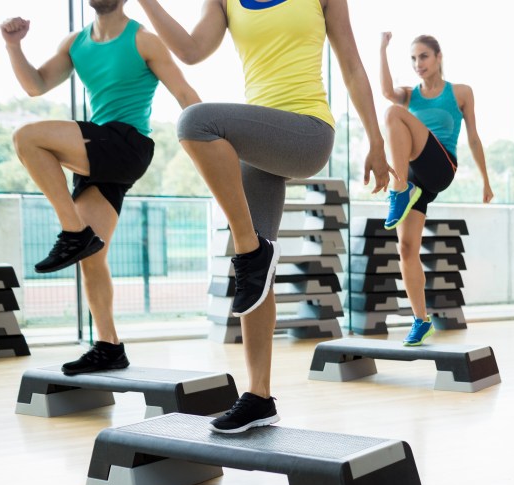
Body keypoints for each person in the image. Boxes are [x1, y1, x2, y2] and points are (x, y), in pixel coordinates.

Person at [136, 0, 392, 433]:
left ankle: (251, 251)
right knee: (256, 272)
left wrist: (375, 140)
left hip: (307, 132)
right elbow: (192, 50)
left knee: (195, 121)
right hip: (260, 143)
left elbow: (351, 63)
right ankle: (258, 396)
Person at [1, 0, 200, 375]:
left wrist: (215, 150)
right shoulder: (75, 43)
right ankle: (109, 346)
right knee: (92, 257)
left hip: (126, 144)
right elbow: (36, 85)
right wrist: (14, 46)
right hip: (96, 154)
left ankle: (71, 232)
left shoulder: (144, 40)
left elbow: (186, 96)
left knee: (27, 137)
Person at [379, 32, 493, 346]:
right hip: (417, 177)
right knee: (406, 249)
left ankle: (398, 189)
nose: (418, 64)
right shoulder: (409, 94)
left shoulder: (460, 92)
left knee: (391, 114)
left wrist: (485, 179)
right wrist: (382, 48)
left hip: (442, 165)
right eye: (413, 59)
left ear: (439, 57)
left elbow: (473, 137)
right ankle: (421, 320)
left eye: (424, 56)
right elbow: (387, 90)